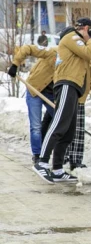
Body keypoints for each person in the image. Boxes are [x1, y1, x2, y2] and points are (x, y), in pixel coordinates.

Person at [35, 18, 91, 184]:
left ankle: (57, 169)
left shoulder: (79, 45)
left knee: (68, 131)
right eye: (89, 31)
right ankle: (41, 161)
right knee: (58, 124)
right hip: (66, 85)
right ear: (85, 28)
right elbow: (87, 53)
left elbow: (89, 65)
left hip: (75, 88)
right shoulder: (72, 37)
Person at [7, 35, 57, 164]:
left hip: (51, 94)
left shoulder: (74, 60)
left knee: (60, 121)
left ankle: (59, 151)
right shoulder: (52, 52)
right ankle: (38, 154)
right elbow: (27, 48)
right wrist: (15, 64)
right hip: (34, 89)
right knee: (36, 125)